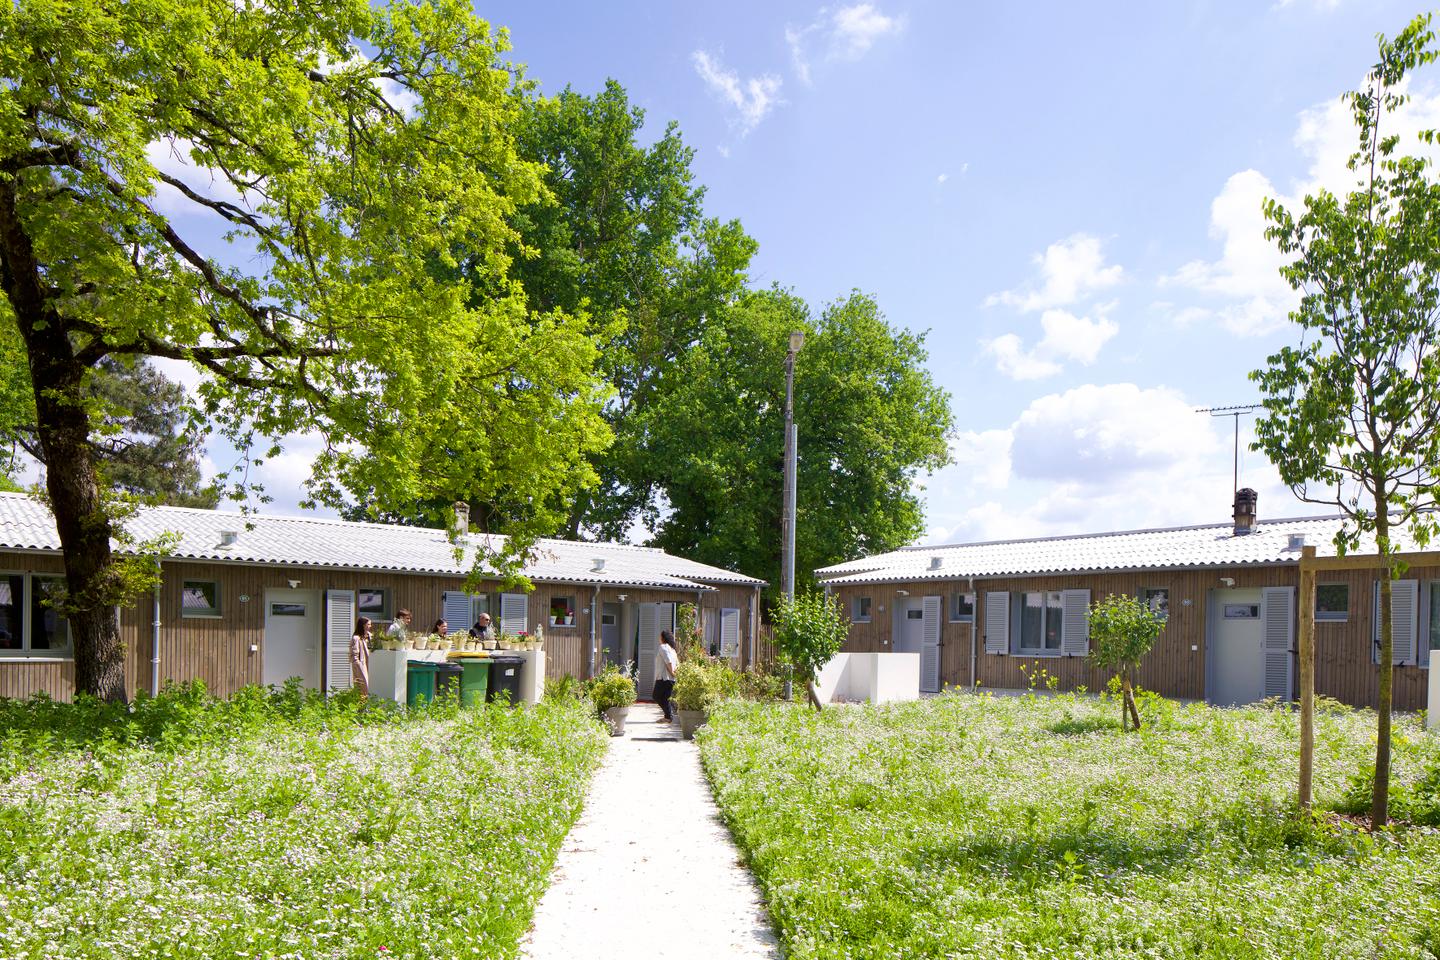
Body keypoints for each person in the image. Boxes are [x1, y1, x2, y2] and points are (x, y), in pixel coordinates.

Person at [653, 630, 678, 723]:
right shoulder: (673, 650)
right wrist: (675, 674)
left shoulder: (663, 647)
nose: (659, 638)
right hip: (671, 679)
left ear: (663, 638)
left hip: (664, 678)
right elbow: (677, 663)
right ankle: (668, 717)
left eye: (660, 636)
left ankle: (668, 716)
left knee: (656, 696)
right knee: (665, 698)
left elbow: (668, 661)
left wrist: (672, 672)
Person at [351, 616, 373, 696]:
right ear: (363, 625)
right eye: (368, 624)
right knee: (362, 687)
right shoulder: (356, 638)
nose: (370, 626)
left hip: (370, 664)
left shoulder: (370, 636)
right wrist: (358, 665)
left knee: (370, 686)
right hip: (361, 665)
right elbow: (354, 654)